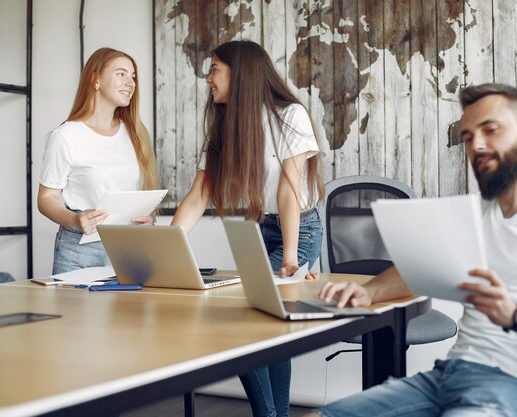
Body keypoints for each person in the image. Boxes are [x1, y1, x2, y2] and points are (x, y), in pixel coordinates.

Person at [309, 83, 517, 417]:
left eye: (490, 130)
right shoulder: (475, 212)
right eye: (468, 137)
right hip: (447, 377)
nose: (477, 145)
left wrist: (515, 315)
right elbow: (417, 268)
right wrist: (370, 292)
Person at [171, 40, 324, 417]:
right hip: (262, 228)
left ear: (240, 74)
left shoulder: (290, 116)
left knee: (246, 319)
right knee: (266, 325)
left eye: (215, 69)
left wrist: (291, 257)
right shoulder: (226, 126)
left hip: (298, 229)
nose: (208, 78)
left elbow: (290, 190)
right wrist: (167, 243)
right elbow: (198, 196)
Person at [38, 47, 159, 275]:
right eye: (121, 73)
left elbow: (141, 191)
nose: (131, 83)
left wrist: (148, 217)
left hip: (129, 247)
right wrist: (75, 219)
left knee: (128, 312)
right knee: (76, 312)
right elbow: (46, 198)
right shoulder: (65, 136)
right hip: (79, 251)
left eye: (133, 76)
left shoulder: (136, 133)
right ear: (95, 79)